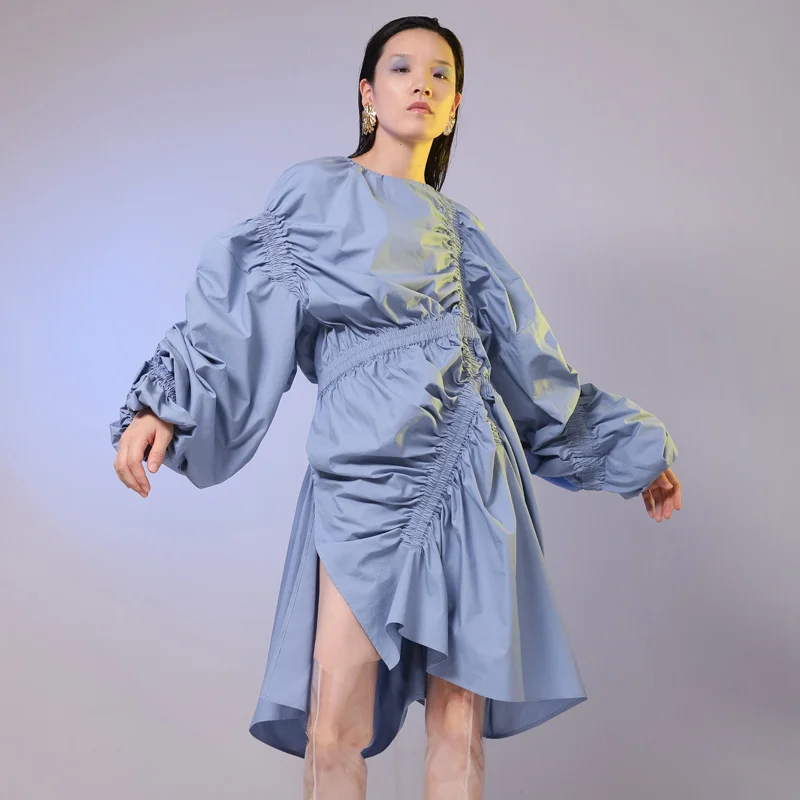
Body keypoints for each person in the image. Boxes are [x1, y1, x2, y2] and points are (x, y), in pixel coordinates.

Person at [110, 15, 681, 800]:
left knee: (457, 728)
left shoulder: (462, 232)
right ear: (368, 93)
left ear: (454, 107)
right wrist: (163, 407)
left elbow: (534, 374)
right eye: (403, 68)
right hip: (363, 473)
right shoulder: (314, 195)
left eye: (441, 74)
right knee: (332, 725)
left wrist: (634, 454)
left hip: (470, 473)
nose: (422, 84)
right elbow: (235, 312)